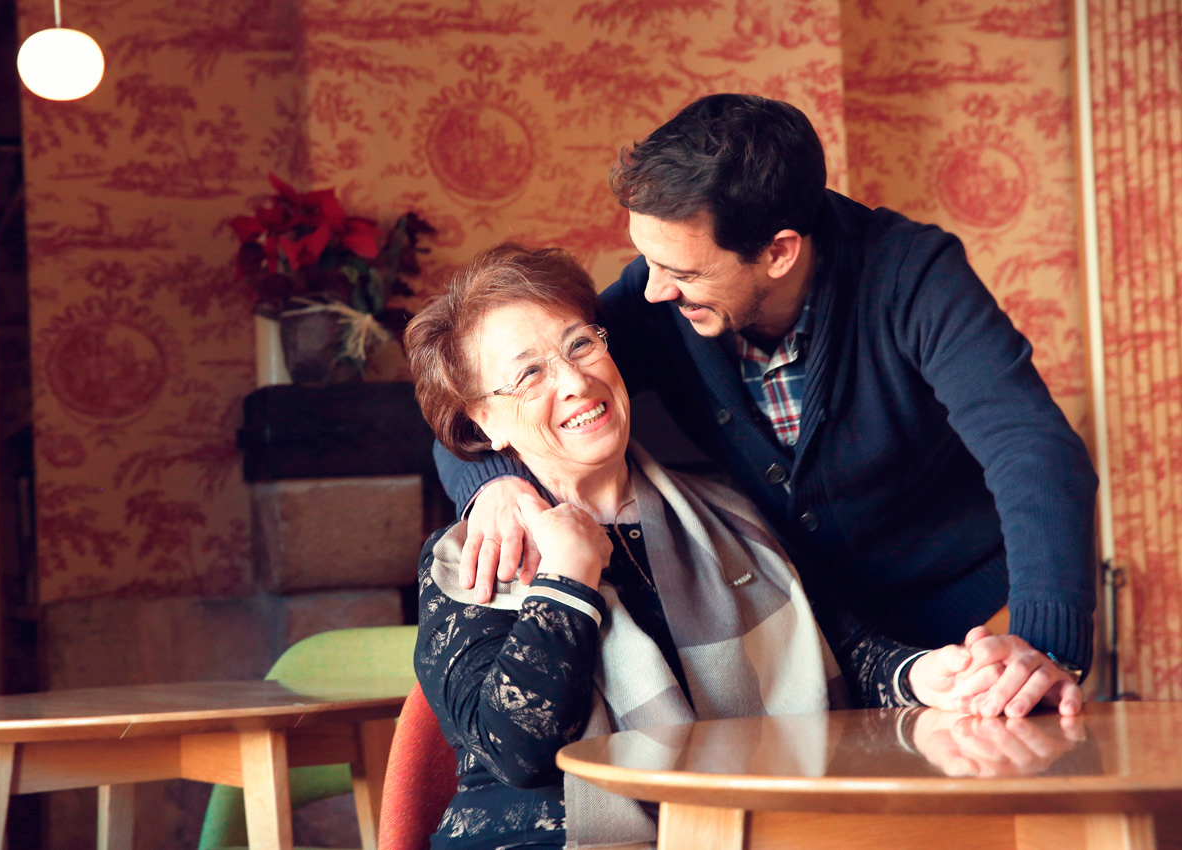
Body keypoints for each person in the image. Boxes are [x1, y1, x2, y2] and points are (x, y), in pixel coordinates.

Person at [435, 94, 1098, 715]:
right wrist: (494, 484)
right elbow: (482, 404)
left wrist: (1044, 648)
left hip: (975, 619)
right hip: (815, 633)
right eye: (647, 259)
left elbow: (1031, 450)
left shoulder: (914, 275)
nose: (652, 291)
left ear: (779, 252)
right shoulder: (658, 296)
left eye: (683, 273)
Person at [404, 244, 1080, 850]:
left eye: (580, 344)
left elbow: (842, 647)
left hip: (750, 828)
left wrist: (928, 675)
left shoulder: (729, 511)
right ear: (483, 421)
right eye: (528, 375)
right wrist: (565, 580)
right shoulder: (471, 557)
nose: (574, 382)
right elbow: (517, 753)